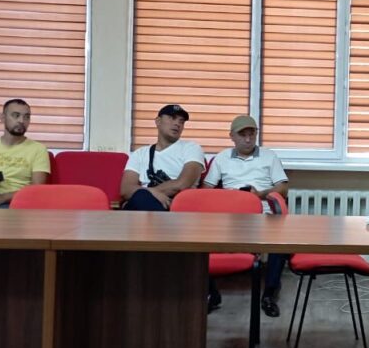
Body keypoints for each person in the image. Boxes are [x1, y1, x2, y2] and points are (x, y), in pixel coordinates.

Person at [204, 115, 289, 318]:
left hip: (263, 210)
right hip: (229, 214)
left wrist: (259, 194)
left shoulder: (269, 156)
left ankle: (269, 294)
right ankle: (211, 293)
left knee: (280, 239)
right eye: (243, 135)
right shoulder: (222, 158)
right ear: (232, 136)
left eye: (252, 134)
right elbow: (206, 188)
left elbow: (283, 188)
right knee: (196, 238)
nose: (248, 139)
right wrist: (229, 197)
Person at [120, 104, 205, 211]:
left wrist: (149, 192)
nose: (177, 123)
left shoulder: (192, 148)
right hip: (143, 203)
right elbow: (126, 190)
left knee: (139, 198)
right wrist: (152, 193)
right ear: (158, 121)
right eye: (172, 118)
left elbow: (182, 184)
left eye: (181, 121)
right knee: (139, 199)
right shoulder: (140, 153)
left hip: (175, 205)